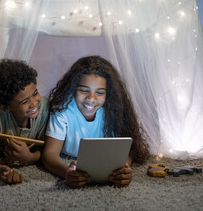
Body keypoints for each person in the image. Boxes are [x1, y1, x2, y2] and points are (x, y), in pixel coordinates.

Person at [42, 55, 150, 189]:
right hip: (68, 158)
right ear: (73, 88)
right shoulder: (62, 109)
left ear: (108, 94)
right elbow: (49, 154)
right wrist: (67, 173)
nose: (91, 99)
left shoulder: (113, 109)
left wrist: (124, 169)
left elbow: (127, 149)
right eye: (84, 90)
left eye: (99, 93)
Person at [0, 59, 49, 184]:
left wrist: (29, 157)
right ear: (5, 107)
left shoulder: (45, 107)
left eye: (35, 93)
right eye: (24, 102)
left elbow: (49, 151)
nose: (34, 103)